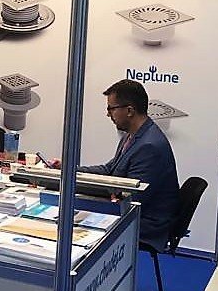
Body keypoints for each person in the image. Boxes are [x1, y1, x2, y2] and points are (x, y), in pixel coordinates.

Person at [73, 79, 180, 250]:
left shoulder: (149, 146)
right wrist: (71, 171)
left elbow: (131, 198)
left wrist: (82, 189)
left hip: (147, 225)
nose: (108, 114)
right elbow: (109, 169)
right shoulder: (133, 135)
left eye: (111, 109)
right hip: (136, 212)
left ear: (129, 110)